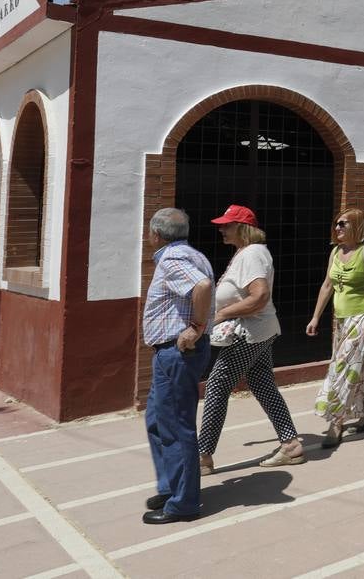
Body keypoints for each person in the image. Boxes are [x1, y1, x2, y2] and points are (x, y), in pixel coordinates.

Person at [198, 205, 304, 475]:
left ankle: (203, 456)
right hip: (260, 331)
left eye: (227, 225)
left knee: (217, 386)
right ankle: (290, 444)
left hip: (249, 333)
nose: (221, 229)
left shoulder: (253, 255)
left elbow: (259, 297)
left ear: (243, 228)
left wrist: (221, 313)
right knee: (262, 382)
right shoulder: (247, 253)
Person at [141, 208, 214, 525]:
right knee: (158, 418)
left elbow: (202, 287)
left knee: (175, 426)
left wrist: (195, 328)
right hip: (171, 353)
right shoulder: (192, 254)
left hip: (176, 352)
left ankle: (183, 503)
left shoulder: (172, 259)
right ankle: (173, 486)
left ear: (156, 234)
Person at [308, 208, 364, 448]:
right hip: (341, 319)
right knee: (356, 368)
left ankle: (336, 421)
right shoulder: (335, 252)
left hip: (361, 318)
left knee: (341, 368)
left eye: (344, 224)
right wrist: (315, 317)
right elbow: (327, 285)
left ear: (356, 226)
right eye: (337, 223)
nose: (338, 228)